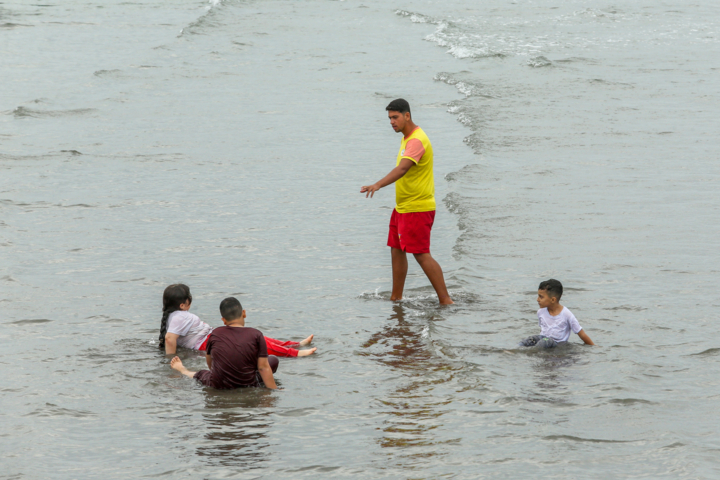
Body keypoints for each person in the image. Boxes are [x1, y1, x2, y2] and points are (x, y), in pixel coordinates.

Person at [360, 98, 453, 305]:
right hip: (402, 207)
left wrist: (377, 185)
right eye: (389, 118)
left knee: (421, 255)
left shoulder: (416, 141)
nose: (392, 122)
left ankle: (446, 301)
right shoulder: (407, 138)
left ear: (407, 115)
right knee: (396, 249)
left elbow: (402, 169)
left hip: (417, 208)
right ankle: (396, 298)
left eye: (395, 117)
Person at [158, 284, 317, 357]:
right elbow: (170, 339)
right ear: (182, 304)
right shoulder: (181, 316)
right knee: (257, 343)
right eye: (189, 298)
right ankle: (296, 353)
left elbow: (171, 337)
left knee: (260, 339)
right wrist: (171, 359)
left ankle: (294, 344)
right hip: (209, 342)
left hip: (212, 338)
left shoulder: (172, 316)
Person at [170, 297, 279, 389]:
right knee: (273, 360)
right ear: (244, 313)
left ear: (223, 320)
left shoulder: (215, 334)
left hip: (218, 383)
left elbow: (210, 363)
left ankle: (183, 370)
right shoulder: (256, 334)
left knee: (200, 374)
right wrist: (274, 391)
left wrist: (220, 372)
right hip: (247, 383)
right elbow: (263, 367)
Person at [519, 279, 595, 348]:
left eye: (541, 297)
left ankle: (534, 353)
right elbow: (543, 330)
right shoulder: (540, 312)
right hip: (543, 339)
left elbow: (581, 334)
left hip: (557, 344)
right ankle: (515, 350)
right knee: (530, 339)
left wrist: (594, 346)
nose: (537, 299)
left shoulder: (567, 314)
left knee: (545, 341)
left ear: (553, 299)